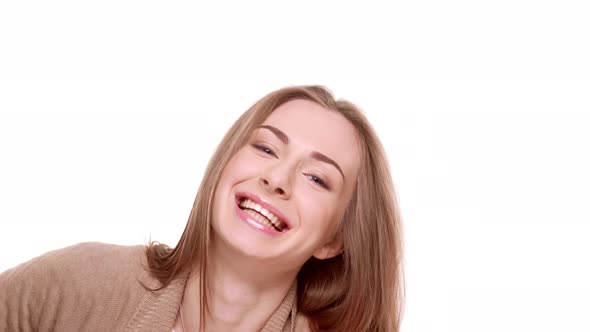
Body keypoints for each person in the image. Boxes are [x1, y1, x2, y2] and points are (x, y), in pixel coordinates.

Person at [0, 85, 404, 332]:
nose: (277, 179)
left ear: (335, 239)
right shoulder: (81, 284)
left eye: (316, 177)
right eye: (265, 147)